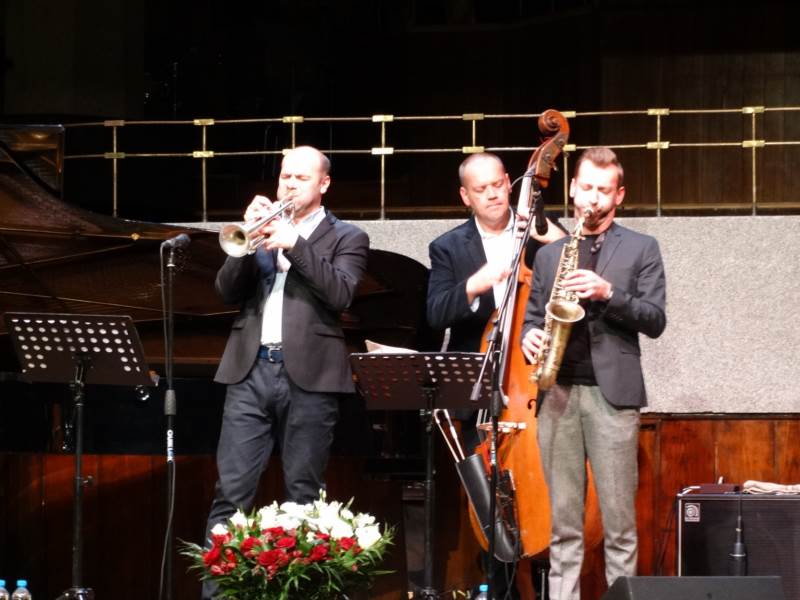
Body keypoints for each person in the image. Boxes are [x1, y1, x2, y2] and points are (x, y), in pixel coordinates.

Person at [202, 145, 369, 598]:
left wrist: (296, 244)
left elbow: (340, 293)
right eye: (284, 177)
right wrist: (247, 242)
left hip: (310, 377)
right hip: (250, 370)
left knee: (304, 495)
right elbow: (225, 291)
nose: (289, 185)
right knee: (230, 493)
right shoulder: (261, 230)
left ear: (324, 184)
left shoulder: (348, 236)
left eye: (301, 177)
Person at [521, 147, 667, 600]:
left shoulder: (642, 247)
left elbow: (655, 319)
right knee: (563, 524)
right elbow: (532, 317)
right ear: (572, 188)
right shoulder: (550, 255)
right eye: (586, 187)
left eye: (604, 190)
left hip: (612, 396)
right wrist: (529, 337)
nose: (593, 198)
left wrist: (608, 293)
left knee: (619, 525)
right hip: (557, 392)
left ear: (619, 195)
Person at [426, 152, 564, 598]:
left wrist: (555, 234)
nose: (491, 195)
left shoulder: (539, 234)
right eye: (480, 189)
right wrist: (475, 284)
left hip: (535, 392)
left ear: (509, 183)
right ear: (465, 196)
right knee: (492, 513)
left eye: (497, 185)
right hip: (479, 399)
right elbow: (435, 313)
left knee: (546, 507)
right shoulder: (448, 247)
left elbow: (574, 273)